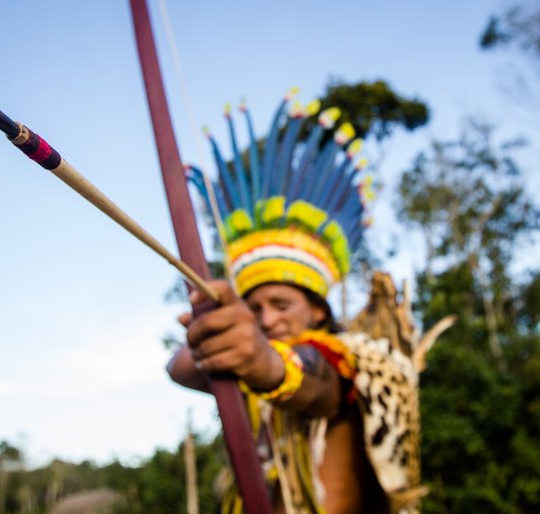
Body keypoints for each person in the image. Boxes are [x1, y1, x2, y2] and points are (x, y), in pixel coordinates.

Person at [167, 94, 425, 514]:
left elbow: (315, 380)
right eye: (254, 309)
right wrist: (210, 335)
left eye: (281, 304)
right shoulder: (242, 375)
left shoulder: (358, 364)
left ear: (319, 310)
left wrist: (263, 363)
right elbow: (180, 366)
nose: (266, 319)